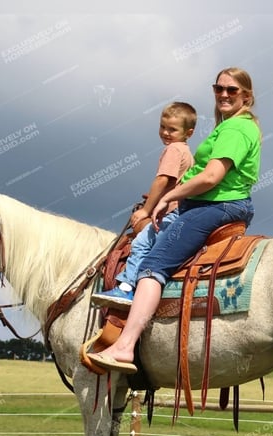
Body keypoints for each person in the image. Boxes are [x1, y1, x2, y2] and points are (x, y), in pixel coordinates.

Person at [88, 67, 261, 374]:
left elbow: (211, 176)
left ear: (246, 96)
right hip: (215, 203)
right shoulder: (232, 126)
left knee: (153, 266)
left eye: (232, 90)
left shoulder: (235, 129)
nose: (223, 94)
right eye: (218, 88)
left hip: (216, 205)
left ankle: (125, 346)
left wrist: (169, 198)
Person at [91, 101, 197, 309]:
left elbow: (162, 180)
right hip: (178, 210)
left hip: (170, 212)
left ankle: (126, 288)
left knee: (141, 243)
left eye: (172, 129)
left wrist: (146, 210)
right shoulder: (185, 151)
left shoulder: (173, 150)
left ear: (189, 132)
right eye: (162, 127)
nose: (166, 133)